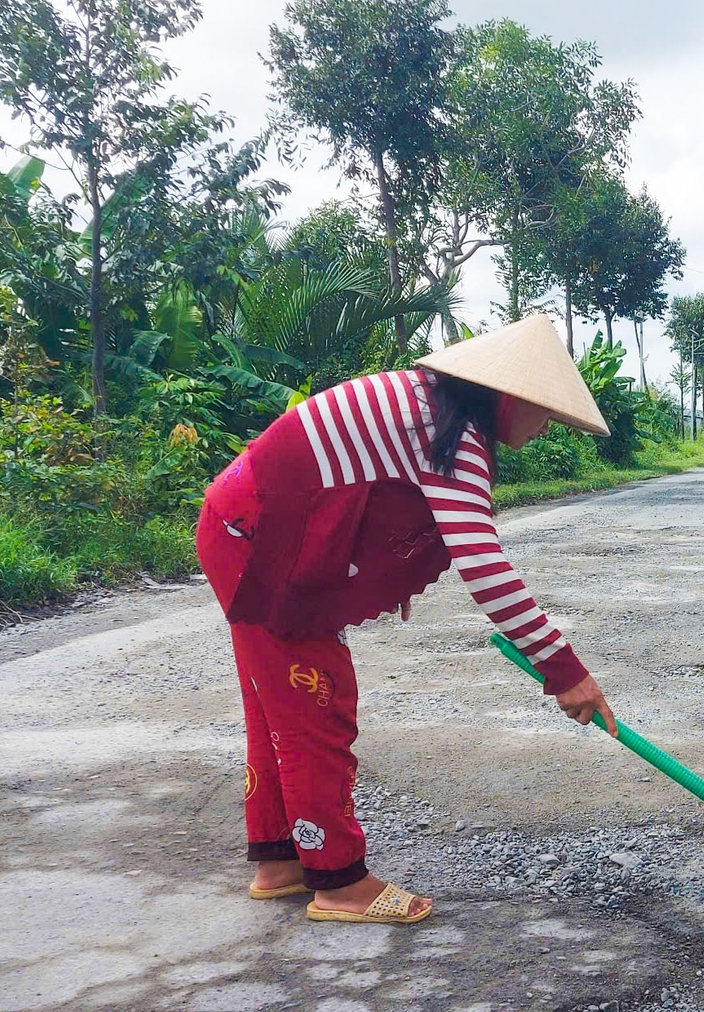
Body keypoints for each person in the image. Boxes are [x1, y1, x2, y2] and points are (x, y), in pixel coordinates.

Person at [195, 316, 617, 926]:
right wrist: (564, 669)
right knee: (318, 706)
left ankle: (282, 861)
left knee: (278, 706)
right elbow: (484, 563)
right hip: (264, 544)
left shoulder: (429, 407)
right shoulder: (448, 434)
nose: (546, 423)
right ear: (509, 395)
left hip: (241, 526)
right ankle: (339, 881)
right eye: (545, 410)